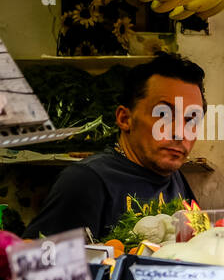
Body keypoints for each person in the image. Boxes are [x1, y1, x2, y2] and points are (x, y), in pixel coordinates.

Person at [24, 53, 203, 240]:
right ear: (125, 119)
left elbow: (201, 242)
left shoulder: (176, 179)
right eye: (164, 115)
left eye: (191, 120)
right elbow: (36, 264)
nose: (180, 132)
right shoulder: (86, 181)